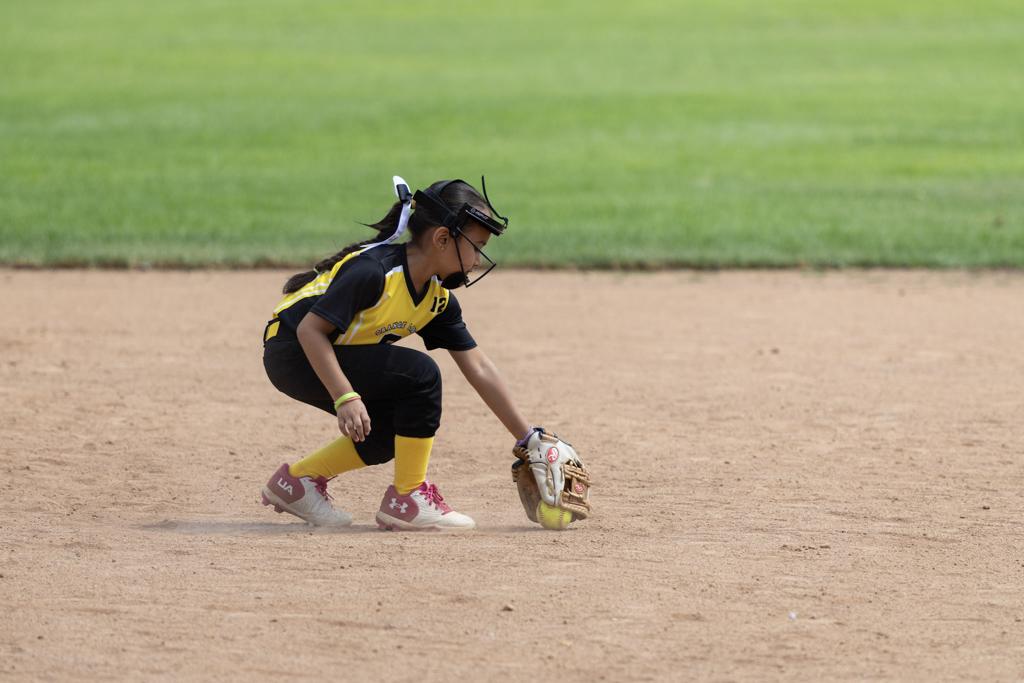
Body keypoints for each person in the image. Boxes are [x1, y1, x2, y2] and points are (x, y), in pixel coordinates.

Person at [259, 176, 536, 530]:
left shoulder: (436, 299)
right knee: (420, 374)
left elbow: (478, 366)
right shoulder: (375, 273)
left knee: (393, 430)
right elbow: (309, 330)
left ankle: (298, 482)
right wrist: (345, 397)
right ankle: (408, 496)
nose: (479, 259)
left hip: (319, 354)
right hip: (293, 352)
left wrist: (528, 439)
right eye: (476, 245)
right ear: (441, 238)